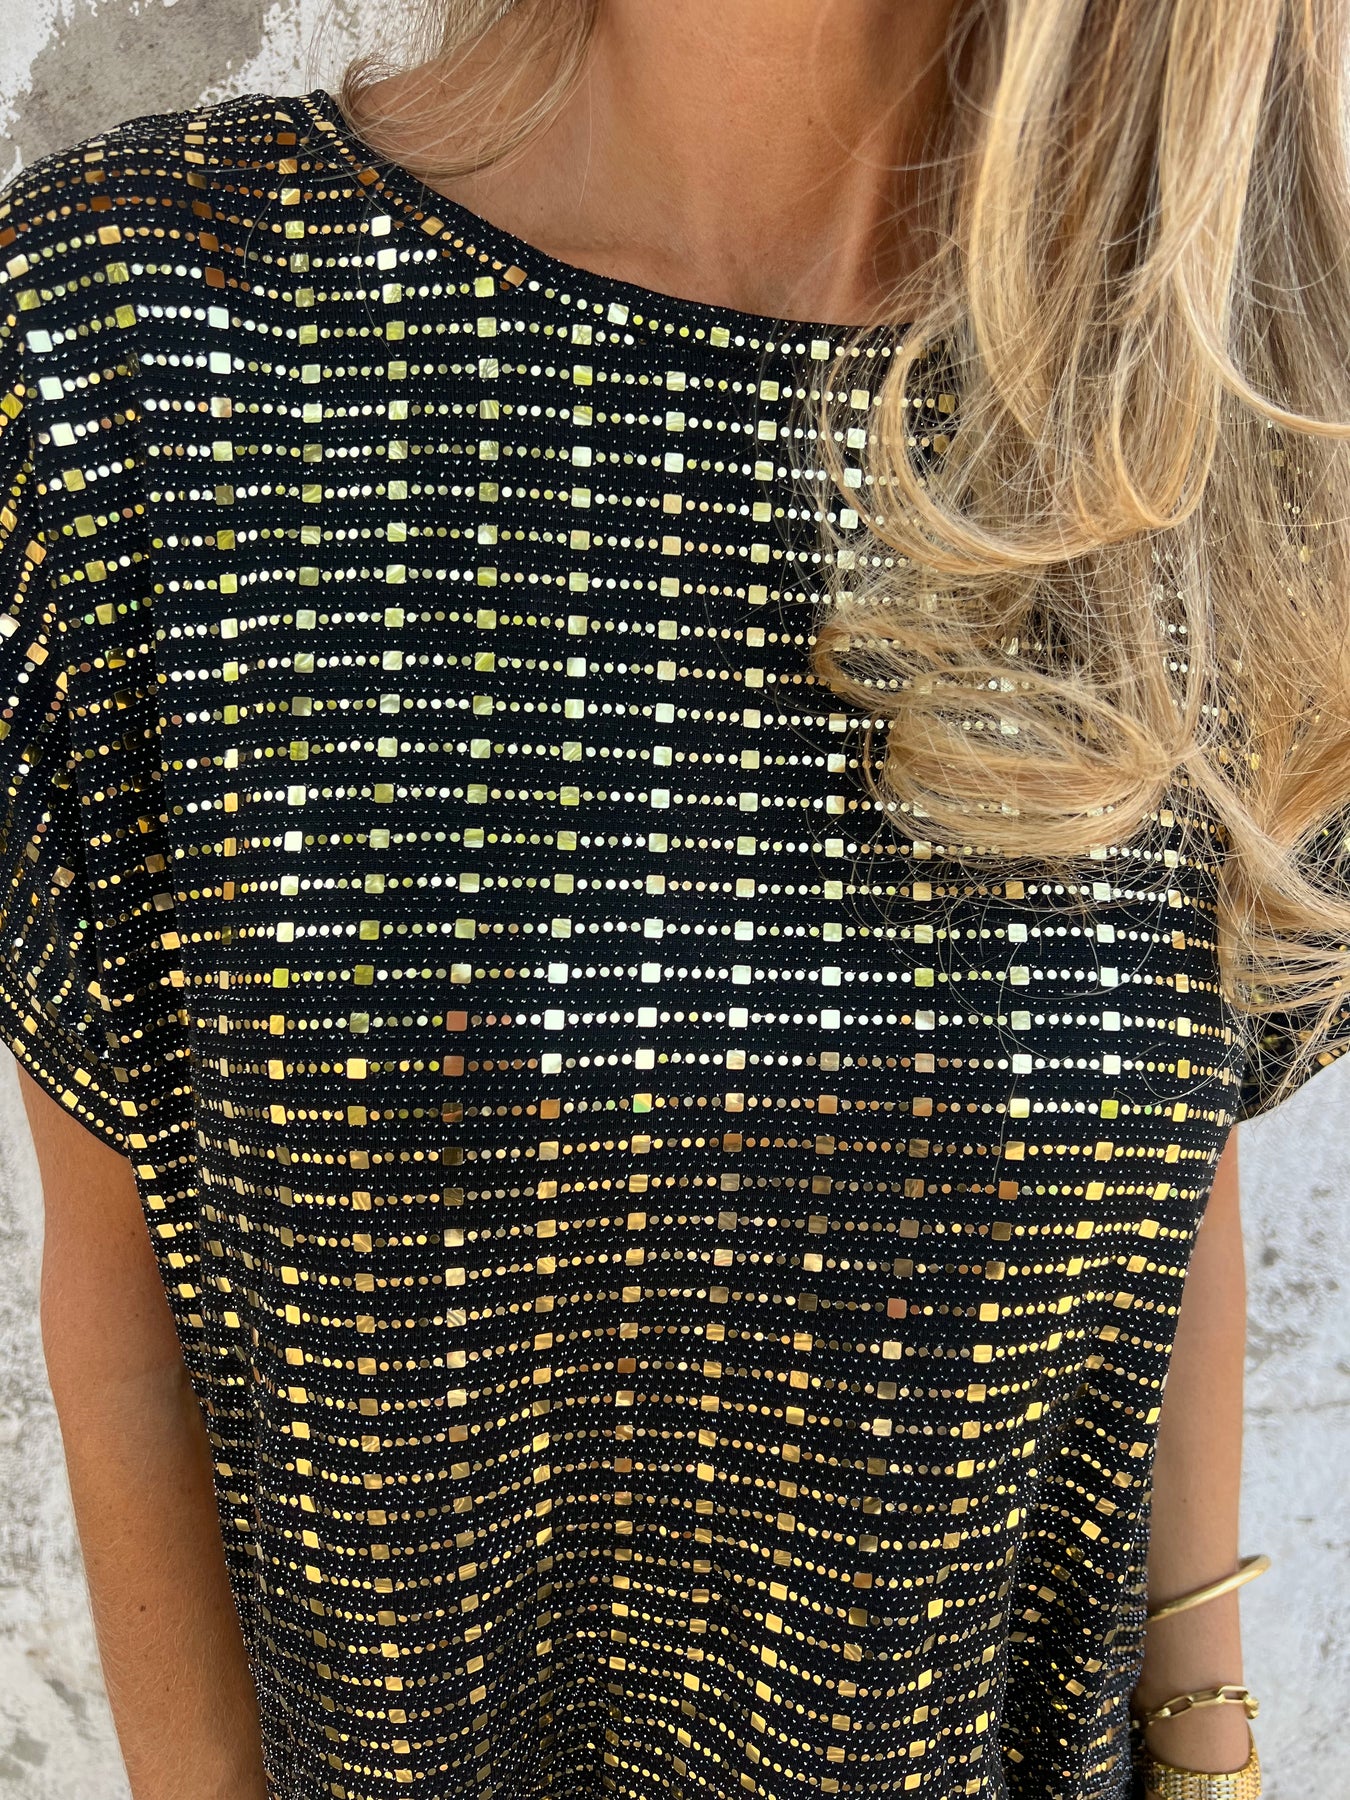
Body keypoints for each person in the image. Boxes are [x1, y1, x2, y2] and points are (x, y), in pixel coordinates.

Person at [2, 2, 1347, 1796]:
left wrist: (1208, 1752)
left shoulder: (1216, 402)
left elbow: (1160, 1155)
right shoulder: (134, 329)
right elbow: (124, 1285)